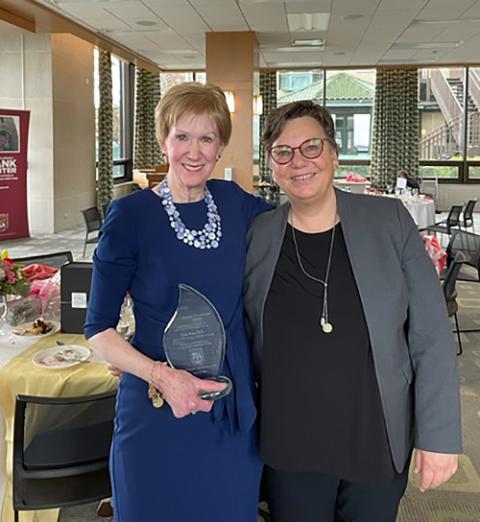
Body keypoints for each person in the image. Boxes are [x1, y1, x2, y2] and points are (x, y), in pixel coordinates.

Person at [243, 100, 462, 522]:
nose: (298, 161)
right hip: (291, 443)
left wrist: (439, 436)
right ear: (271, 165)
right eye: (282, 152)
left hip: (374, 435)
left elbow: (431, 334)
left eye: (311, 147)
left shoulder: (388, 221)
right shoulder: (259, 235)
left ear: (334, 153)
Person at [85, 82, 270, 522]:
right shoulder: (130, 216)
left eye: (206, 138)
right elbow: (98, 331)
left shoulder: (235, 203)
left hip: (225, 406)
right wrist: (159, 376)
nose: (194, 150)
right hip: (156, 404)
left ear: (221, 145)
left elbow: (301, 223)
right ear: (163, 141)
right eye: (181, 136)